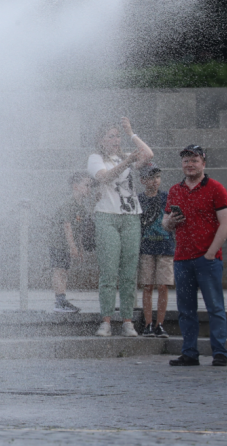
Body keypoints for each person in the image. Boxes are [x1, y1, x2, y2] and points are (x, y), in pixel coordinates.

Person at [163, 145, 227, 367]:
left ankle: (220, 352)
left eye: (194, 160)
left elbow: (226, 223)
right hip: (182, 259)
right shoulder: (175, 190)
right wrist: (169, 223)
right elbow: (165, 223)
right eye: (186, 161)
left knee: (215, 308)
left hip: (207, 259)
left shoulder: (216, 188)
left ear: (203, 163)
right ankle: (190, 353)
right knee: (185, 310)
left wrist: (210, 254)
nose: (189, 165)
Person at [87, 118, 153, 337]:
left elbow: (148, 155)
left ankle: (127, 320)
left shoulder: (126, 155)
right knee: (108, 271)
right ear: (101, 140)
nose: (116, 140)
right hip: (107, 216)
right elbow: (104, 177)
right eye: (110, 136)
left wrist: (131, 133)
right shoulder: (95, 158)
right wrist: (126, 163)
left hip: (131, 216)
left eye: (118, 136)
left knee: (128, 273)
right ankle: (105, 321)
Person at [137, 165, 175, 338]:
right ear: (142, 180)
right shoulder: (138, 200)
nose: (155, 181)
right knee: (147, 285)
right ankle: (148, 324)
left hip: (165, 247)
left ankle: (160, 324)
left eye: (157, 177)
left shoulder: (167, 197)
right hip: (146, 248)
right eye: (151, 178)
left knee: (163, 285)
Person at [49, 172, 95, 313]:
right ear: (75, 186)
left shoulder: (81, 207)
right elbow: (67, 226)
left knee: (64, 271)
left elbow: (79, 230)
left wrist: (79, 248)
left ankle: (61, 299)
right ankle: (59, 301)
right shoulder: (69, 203)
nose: (89, 188)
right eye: (86, 185)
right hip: (58, 243)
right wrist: (72, 246)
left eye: (90, 186)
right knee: (59, 270)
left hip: (67, 244)